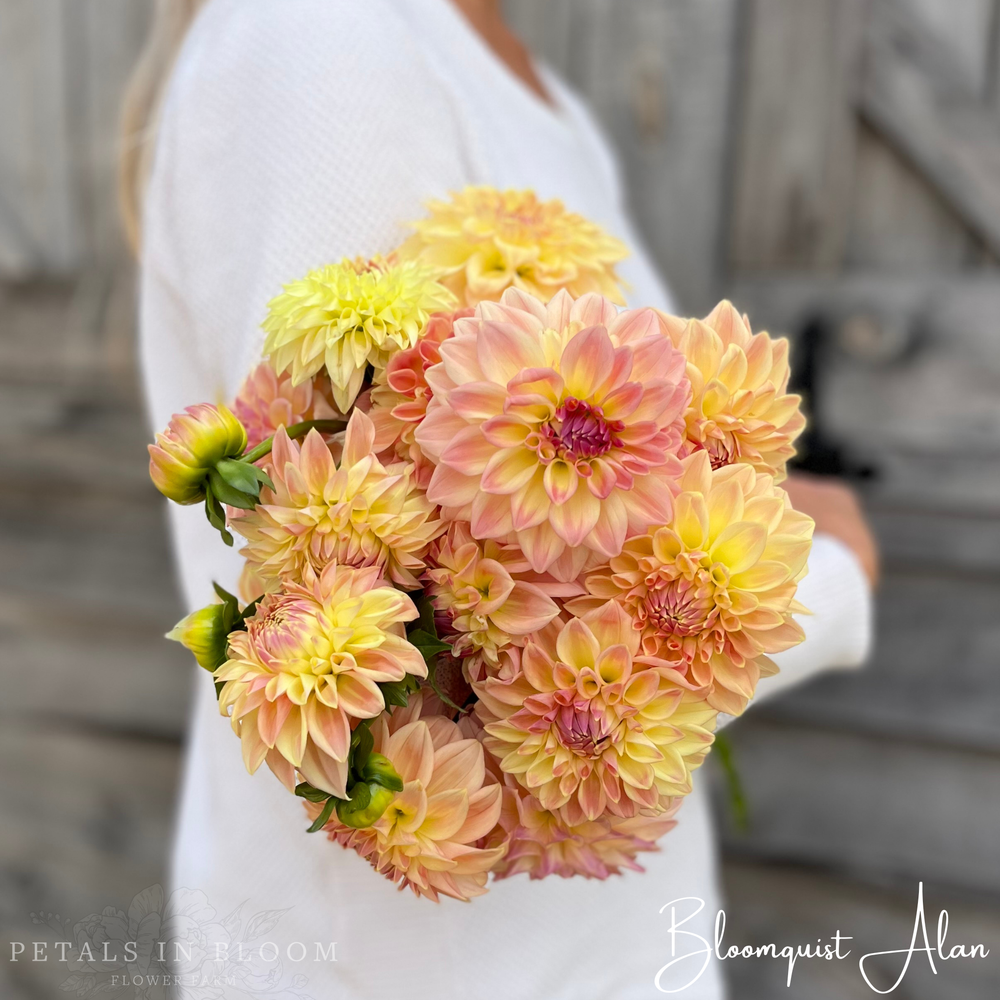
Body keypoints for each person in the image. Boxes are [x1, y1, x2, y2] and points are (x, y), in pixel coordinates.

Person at [124, 2, 876, 997]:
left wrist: (748, 500)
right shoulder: (326, 40)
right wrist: (827, 580)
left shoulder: (524, 85)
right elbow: (428, 667)